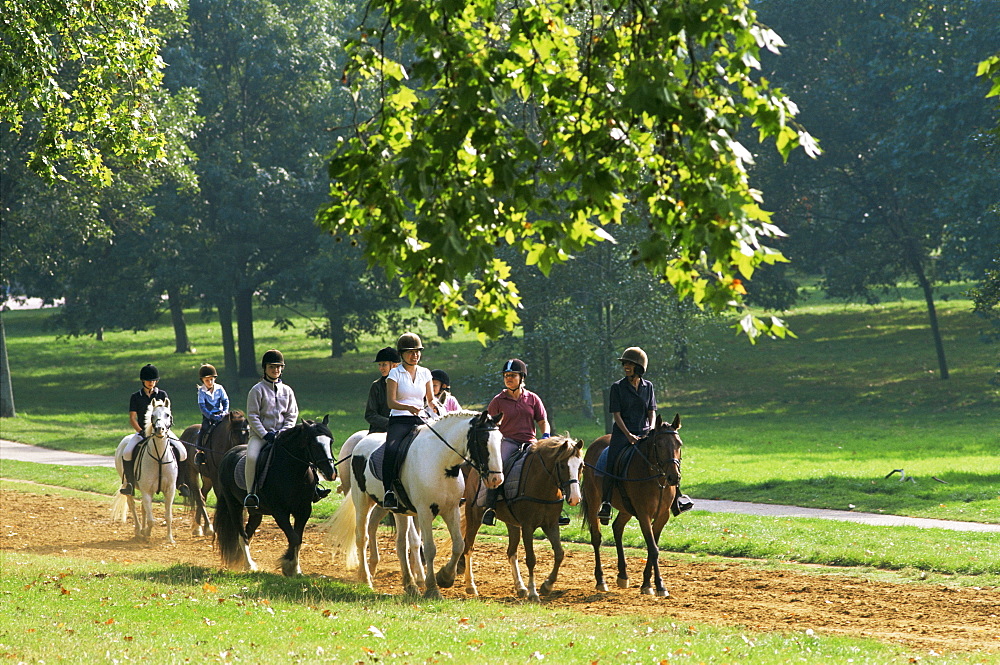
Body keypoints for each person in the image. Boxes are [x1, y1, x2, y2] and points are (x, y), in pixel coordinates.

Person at [597, 347, 692, 524]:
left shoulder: (648, 387)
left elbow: (652, 411)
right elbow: (616, 415)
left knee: (666, 458)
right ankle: (607, 503)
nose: (626, 366)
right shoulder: (617, 387)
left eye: (630, 364)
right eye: (625, 363)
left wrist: (650, 428)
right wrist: (629, 435)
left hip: (645, 431)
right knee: (611, 461)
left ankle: (677, 498)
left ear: (639, 367)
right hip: (622, 433)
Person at [482, 358, 550, 525]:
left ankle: (555, 508)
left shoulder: (533, 399)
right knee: (500, 466)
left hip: (530, 442)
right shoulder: (498, 401)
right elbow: (488, 425)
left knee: (549, 466)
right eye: (506, 375)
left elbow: (542, 421)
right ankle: (490, 507)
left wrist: (546, 435)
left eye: (512, 375)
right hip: (507, 442)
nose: (508, 378)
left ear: (522, 378)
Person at [382, 332, 439, 510]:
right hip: (400, 420)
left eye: (418, 352)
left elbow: (430, 399)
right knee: (391, 449)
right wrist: (408, 408)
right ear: (402, 354)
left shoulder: (426, 373)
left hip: (421, 419)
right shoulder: (394, 374)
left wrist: (435, 405)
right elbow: (390, 402)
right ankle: (388, 492)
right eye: (410, 352)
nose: (415, 355)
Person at [244, 349, 301, 509]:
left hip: (284, 435)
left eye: (278, 367)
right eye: (272, 367)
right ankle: (251, 493)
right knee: (252, 458)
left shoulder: (287, 391)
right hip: (261, 436)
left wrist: (284, 432)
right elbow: (253, 416)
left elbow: (292, 414)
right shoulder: (257, 390)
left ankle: (312, 488)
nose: (275, 370)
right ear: (265, 368)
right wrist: (265, 434)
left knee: (303, 453)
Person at [120, 364, 187, 496]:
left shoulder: (162, 394)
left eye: (154, 380)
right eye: (149, 380)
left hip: (162, 431)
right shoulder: (136, 397)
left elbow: (167, 415)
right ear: (143, 381)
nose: (152, 383)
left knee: (182, 451)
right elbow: (133, 418)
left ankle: (181, 483)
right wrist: (141, 432)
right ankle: (129, 483)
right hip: (143, 432)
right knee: (127, 452)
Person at [195, 364, 229, 463]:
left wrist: (224, 412)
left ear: (214, 379)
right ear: (202, 381)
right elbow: (202, 407)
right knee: (204, 428)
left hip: (221, 414)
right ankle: (200, 451)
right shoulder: (201, 391)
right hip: (208, 416)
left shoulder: (220, 388)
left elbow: (225, 401)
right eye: (207, 380)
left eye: (211, 379)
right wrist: (210, 416)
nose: (209, 382)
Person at [365, 346, 401, 433]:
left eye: (384, 364)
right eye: (379, 365)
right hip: (380, 431)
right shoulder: (376, 386)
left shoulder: (406, 384)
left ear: (394, 365)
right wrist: (390, 423)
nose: (381, 368)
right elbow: (370, 414)